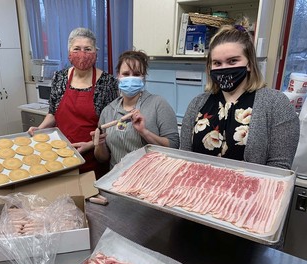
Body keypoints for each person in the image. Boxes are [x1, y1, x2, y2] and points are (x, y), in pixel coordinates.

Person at [179, 24, 300, 170]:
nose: (224, 68)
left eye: (232, 61)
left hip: (250, 191)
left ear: (249, 63)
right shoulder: (197, 104)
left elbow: (279, 169)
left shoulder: (276, 104)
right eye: (217, 63)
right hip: (199, 189)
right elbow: (184, 158)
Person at [28, 27, 118, 178]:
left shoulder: (107, 82)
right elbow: (53, 114)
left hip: (92, 158)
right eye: (77, 49)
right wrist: (40, 129)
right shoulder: (60, 77)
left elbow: (111, 127)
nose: (82, 54)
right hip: (60, 155)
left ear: (95, 52)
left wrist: (90, 144)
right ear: (69, 51)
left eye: (87, 49)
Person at [93, 50, 180, 169]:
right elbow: (102, 158)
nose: (131, 78)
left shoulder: (158, 104)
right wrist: (100, 145)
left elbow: (173, 147)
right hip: (116, 180)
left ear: (143, 77)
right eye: (126, 74)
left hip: (149, 179)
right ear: (118, 75)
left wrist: (144, 132)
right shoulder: (108, 111)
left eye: (136, 74)